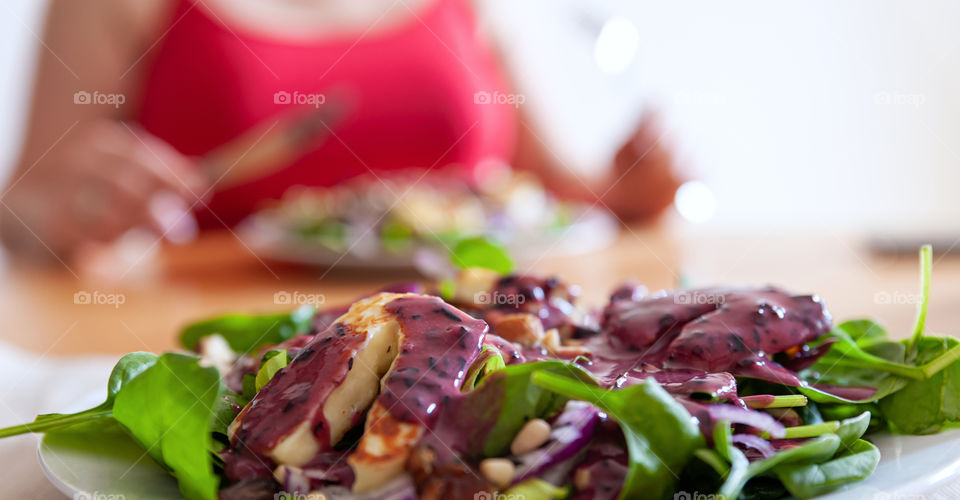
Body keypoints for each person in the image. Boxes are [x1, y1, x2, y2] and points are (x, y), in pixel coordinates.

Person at [0, 0, 684, 260]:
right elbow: (22, 209)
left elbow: (553, 189)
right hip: (224, 357)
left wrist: (630, 187)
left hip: (480, 338)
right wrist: (69, 208)